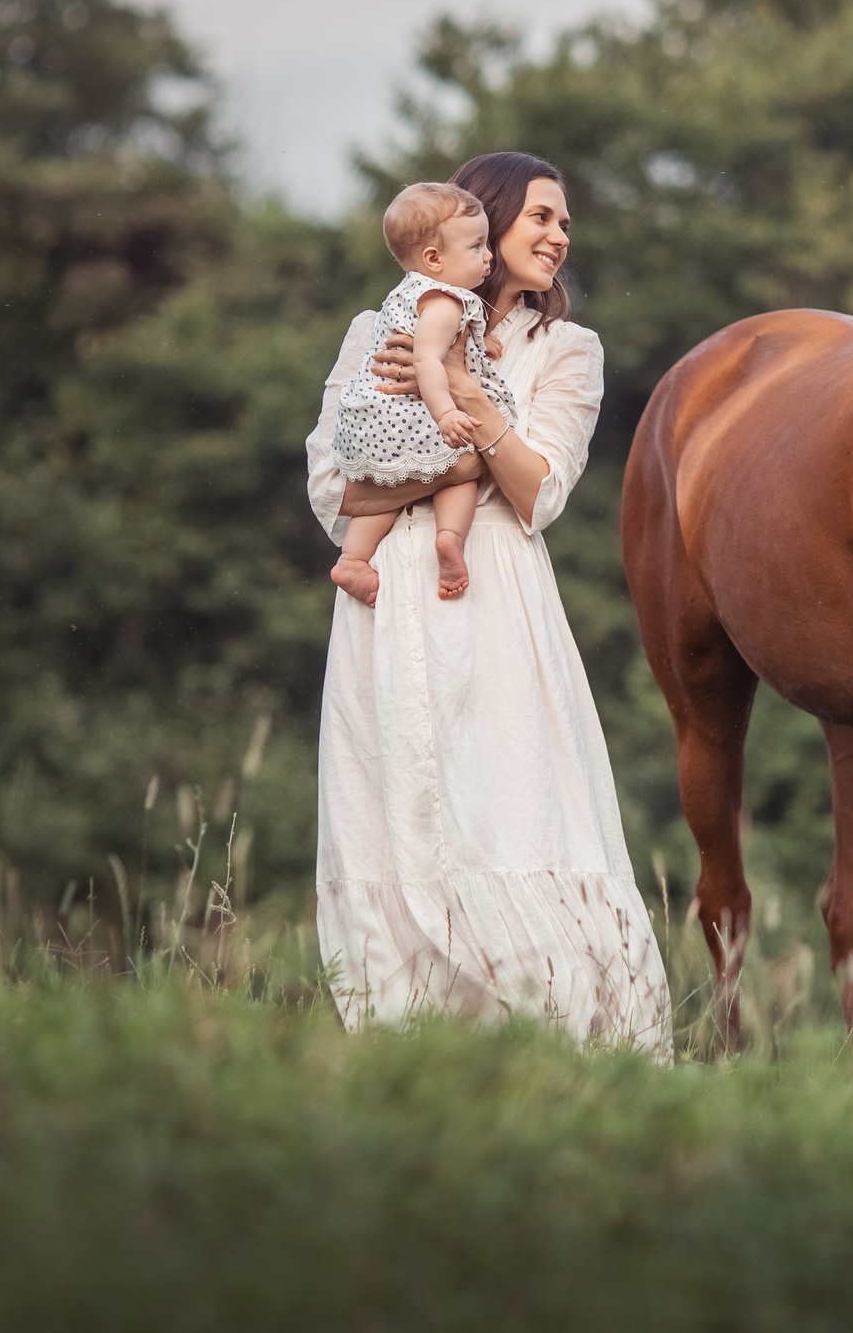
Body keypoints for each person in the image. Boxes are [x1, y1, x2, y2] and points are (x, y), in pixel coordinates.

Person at [304, 151, 672, 1054]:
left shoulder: (567, 353)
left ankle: (567, 1048)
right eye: (542, 217)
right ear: (484, 221)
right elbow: (332, 487)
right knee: (389, 808)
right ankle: (410, 1053)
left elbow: (541, 492)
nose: (559, 236)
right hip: (387, 604)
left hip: (496, 603)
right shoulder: (375, 330)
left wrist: (465, 394)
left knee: (511, 801)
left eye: (565, 223)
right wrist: (468, 465)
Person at [328, 182, 518, 606]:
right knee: (459, 468)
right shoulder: (447, 302)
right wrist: (447, 412)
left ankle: (353, 558)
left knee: (384, 480)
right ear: (434, 258)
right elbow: (429, 360)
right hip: (412, 413)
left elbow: (432, 338)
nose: (489, 256)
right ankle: (450, 540)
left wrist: (474, 341)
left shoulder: (407, 294)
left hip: (368, 420)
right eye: (477, 246)